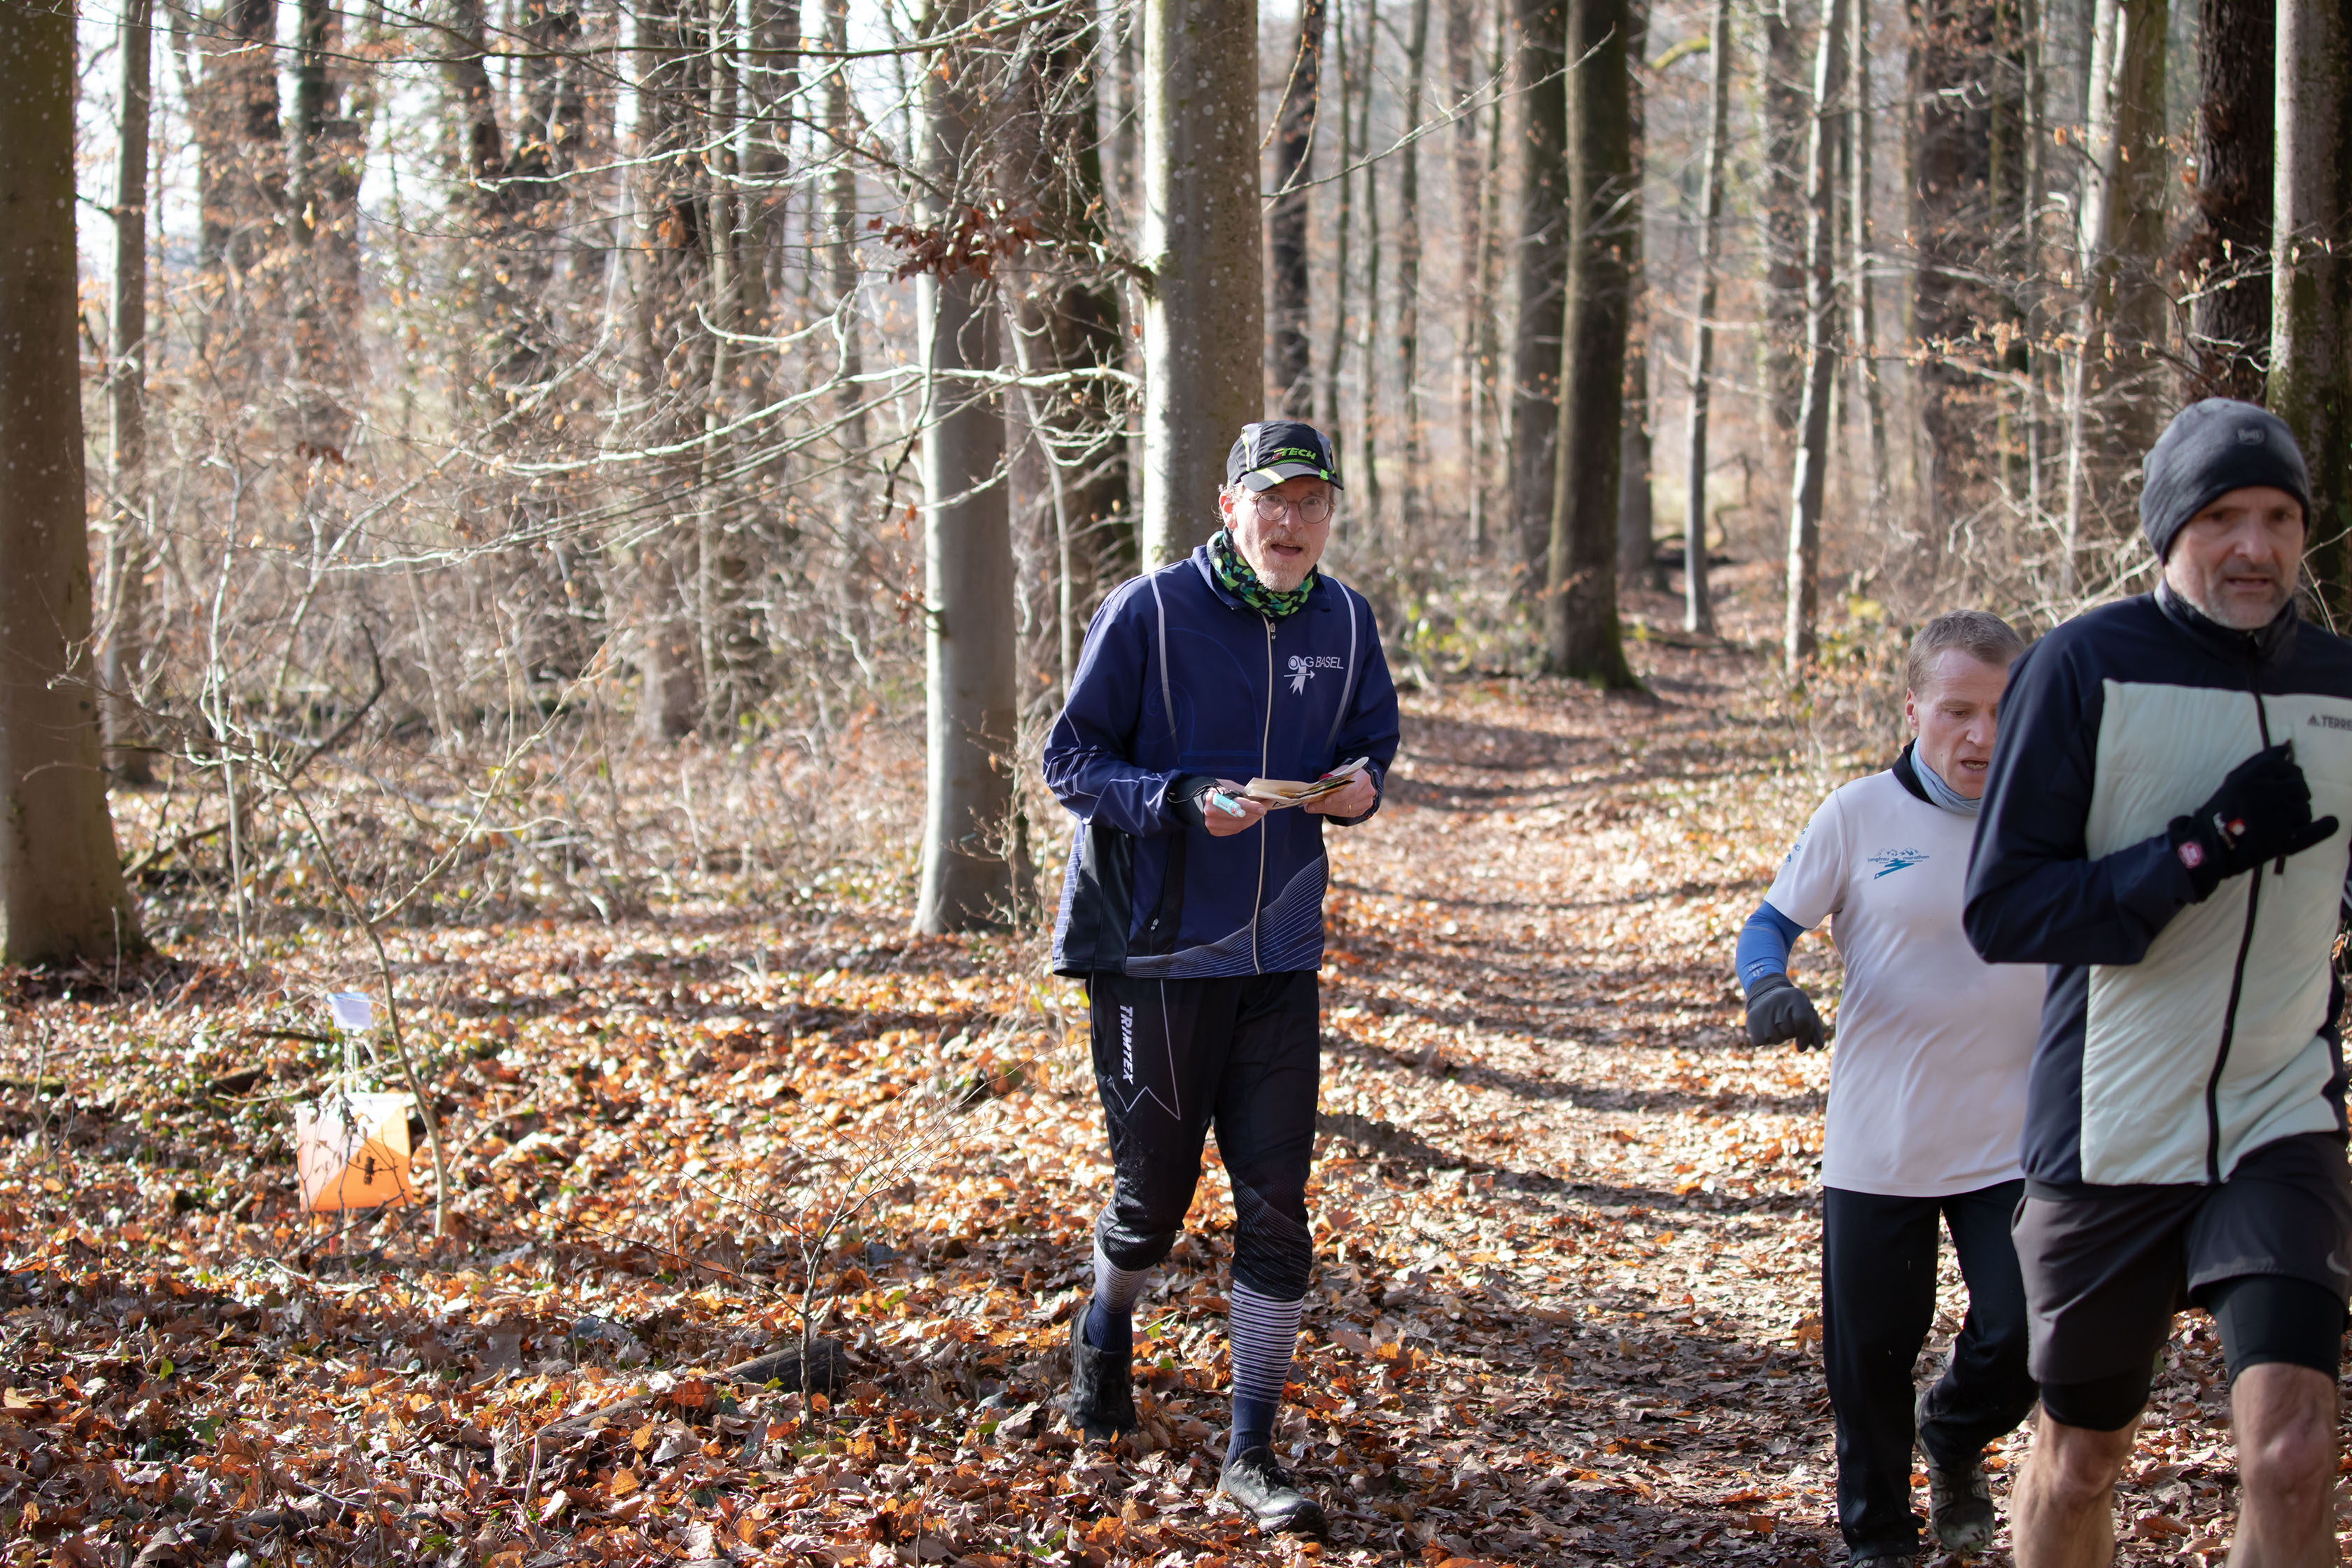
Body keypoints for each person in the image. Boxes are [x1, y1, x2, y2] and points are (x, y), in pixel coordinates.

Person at [1965, 398, 2352, 1568]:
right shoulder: (2087, 664)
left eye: (2280, 517)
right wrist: (2200, 849)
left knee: (2294, 1451)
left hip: (2279, 1114)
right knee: (2081, 1461)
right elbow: (2004, 908)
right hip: (2111, 1128)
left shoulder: (2342, 682)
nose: (2255, 546)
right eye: (2223, 517)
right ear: (2168, 532)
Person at [1040, 420, 1399, 1537]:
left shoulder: (1346, 621)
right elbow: (1071, 761)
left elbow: (1372, 743)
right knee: (1152, 1203)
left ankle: (1251, 1452)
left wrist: (1359, 789)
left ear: (1329, 515)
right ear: (1229, 505)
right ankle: (1105, 1325)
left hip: (1280, 955)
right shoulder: (1149, 612)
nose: (1292, 522)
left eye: (1312, 503)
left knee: (1278, 1206)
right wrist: (1181, 800)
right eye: (1272, 501)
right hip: (1155, 953)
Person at [1738, 611, 2045, 1564]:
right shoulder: (1859, 814)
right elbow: (1767, 925)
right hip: (1883, 1141)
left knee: (2028, 1335)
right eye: (1958, 711)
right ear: (1914, 710)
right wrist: (1770, 988)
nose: (1982, 735)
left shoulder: (2055, 813)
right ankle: (1879, 1539)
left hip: (2014, 1138)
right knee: (1869, 1362)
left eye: (2002, 711)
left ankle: (1952, 1429)